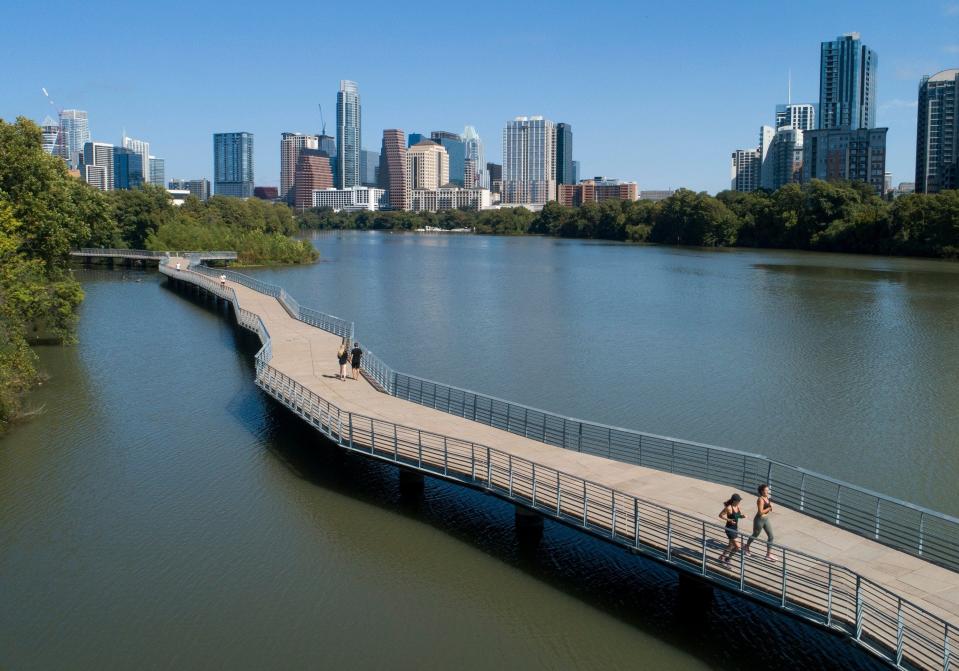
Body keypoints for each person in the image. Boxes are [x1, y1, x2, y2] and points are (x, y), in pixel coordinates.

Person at [745, 484, 775, 561]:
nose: (768, 491)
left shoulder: (767, 497)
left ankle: (768, 555)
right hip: (759, 520)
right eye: (766, 490)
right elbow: (760, 512)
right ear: (762, 491)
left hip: (766, 519)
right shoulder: (760, 500)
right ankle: (746, 547)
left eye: (768, 490)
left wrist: (770, 507)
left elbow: (768, 506)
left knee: (771, 536)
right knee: (755, 535)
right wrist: (769, 508)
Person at [718, 493, 746, 564]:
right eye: (738, 500)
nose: (739, 502)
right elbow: (720, 515)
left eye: (739, 500)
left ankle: (721, 557)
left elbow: (737, 516)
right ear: (734, 501)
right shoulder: (729, 508)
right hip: (729, 529)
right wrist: (729, 520)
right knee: (737, 546)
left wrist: (742, 516)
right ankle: (728, 559)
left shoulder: (738, 506)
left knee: (730, 545)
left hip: (735, 528)